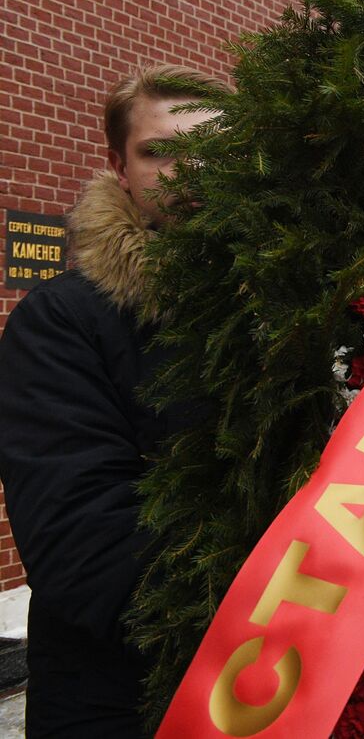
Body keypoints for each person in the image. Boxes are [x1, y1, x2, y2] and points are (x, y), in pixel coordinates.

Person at [0, 65, 225, 737]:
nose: (190, 173)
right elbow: (85, 549)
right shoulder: (61, 321)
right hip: (122, 704)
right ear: (119, 166)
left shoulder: (295, 311)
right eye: (160, 151)